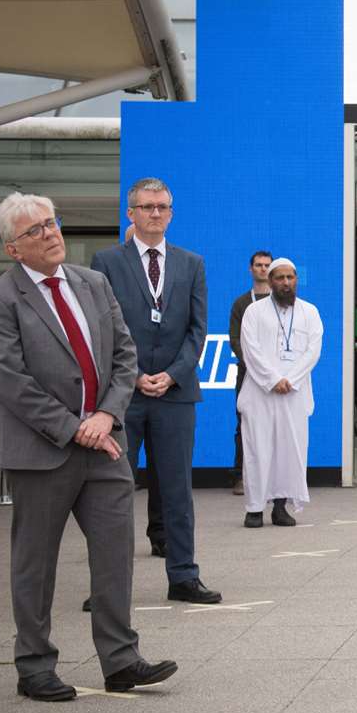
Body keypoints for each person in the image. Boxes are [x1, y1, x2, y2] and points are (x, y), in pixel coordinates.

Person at [0, 193, 178, 701]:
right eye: (35, 231)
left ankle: (121, 659)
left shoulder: (93, 283)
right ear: (13, 250)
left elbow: (125, 352)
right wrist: (73, 426)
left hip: (105, 443)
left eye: (53, 223)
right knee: (35, 562)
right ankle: (34, 664)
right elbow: (10, 381)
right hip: (42, 450)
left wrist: (106, 415)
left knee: (115, 554)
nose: (50, 234)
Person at [90, 178, 220, 606]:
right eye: (146, 207)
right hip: (123, 397)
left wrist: (172, 374)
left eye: (163, 206)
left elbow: (197, 330)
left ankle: (183, 576)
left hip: (176, 394)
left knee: (178, 490)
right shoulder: (106, 262)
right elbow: (103, 330)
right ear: (131, 213)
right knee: (111, 493)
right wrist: (134, 376)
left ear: (171, 212)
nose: (155, 213)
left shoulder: (191, 263)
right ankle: (109, 587)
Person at [238, 258, 324, 527]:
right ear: (270, 281)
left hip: (294, 394)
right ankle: (254, 509)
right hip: (260, 392)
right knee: (258, 450)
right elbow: (249, 349)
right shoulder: (254, 311)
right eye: (280, 278)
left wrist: (291, 380)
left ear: (296, 279)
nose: (286, 283)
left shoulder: (310, 312)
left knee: (290, 451)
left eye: (290, 278)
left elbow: (313, 351)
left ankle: (280, 507)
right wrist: (273, 379)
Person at [228, 250, 272, 496]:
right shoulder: (241, 303)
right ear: (251, 269)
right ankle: (240, 477)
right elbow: (234, 338)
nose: (263, 269)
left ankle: (275, 479)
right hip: (247, 374)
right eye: (258, 265)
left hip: (276, 377)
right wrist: (254, 364)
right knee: (244, 424)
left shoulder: (280, 302)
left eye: (267, 265)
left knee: (276, 426)